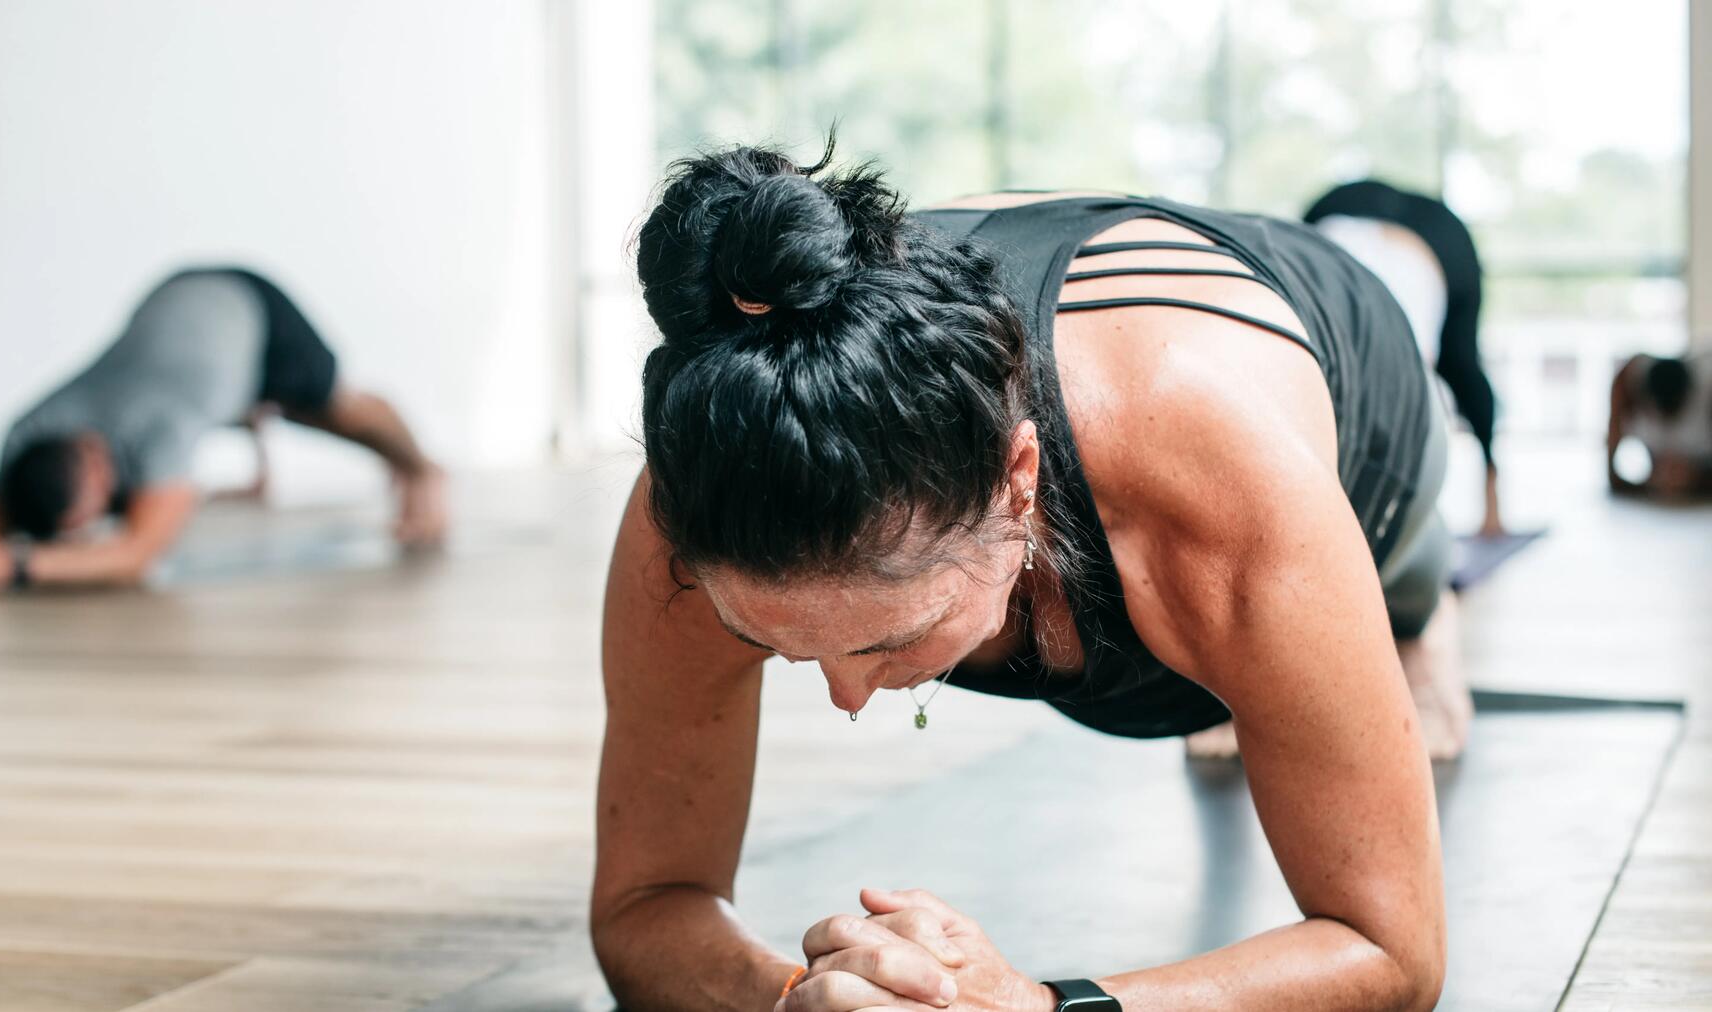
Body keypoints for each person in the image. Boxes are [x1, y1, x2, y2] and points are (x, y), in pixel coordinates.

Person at [592, 139, 1459, 1010]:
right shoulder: (707, 494)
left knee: (1404, 605)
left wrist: (1035, 1006)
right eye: (770, 642)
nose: (846, 698)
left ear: (1017, 481)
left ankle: (1416, 616)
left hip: (1356, 387)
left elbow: (1393, 952)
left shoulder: (1214, 472)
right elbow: (642, 906)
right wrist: (807, 999)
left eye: (890, 638)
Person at [0, 267, 446, 600]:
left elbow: (136, 557)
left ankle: (424, 472)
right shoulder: (25, 431)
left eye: (94, 513)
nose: (93, 526)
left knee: (333, 411)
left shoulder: (159, 429)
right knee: (234, 408)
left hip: (242, 304)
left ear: (98, 463)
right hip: (178, 322)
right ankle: (253, 431)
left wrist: (14, 567)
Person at [1305, 179, 1505, 536]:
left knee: (1458, 371)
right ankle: (1492, 500)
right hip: (1350, 223)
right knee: (1455, 372)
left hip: (1387, 227)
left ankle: (1492, 495)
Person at [1607, 351, 1712, 499]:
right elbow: (1613, 477)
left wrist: (1697, 478)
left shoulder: (1707, 392)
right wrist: (1637, 485)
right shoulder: (1628, 381)